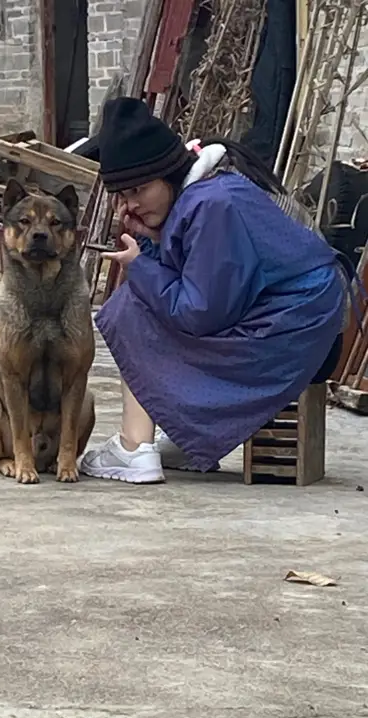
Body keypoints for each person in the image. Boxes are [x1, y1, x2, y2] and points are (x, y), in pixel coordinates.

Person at [79, 97, 347, 484]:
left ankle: (135, 448)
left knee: (131, 309)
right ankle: (183, 440)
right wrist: (155, 240)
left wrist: (141, 265)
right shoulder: (202, 194)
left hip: (299, 335)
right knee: (141, 297)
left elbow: (198, 312)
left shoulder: (210, 205)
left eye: (138, 190)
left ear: (167, 173)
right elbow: (206, 283)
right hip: (295, 323)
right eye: (123, 197)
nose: (131, 205)